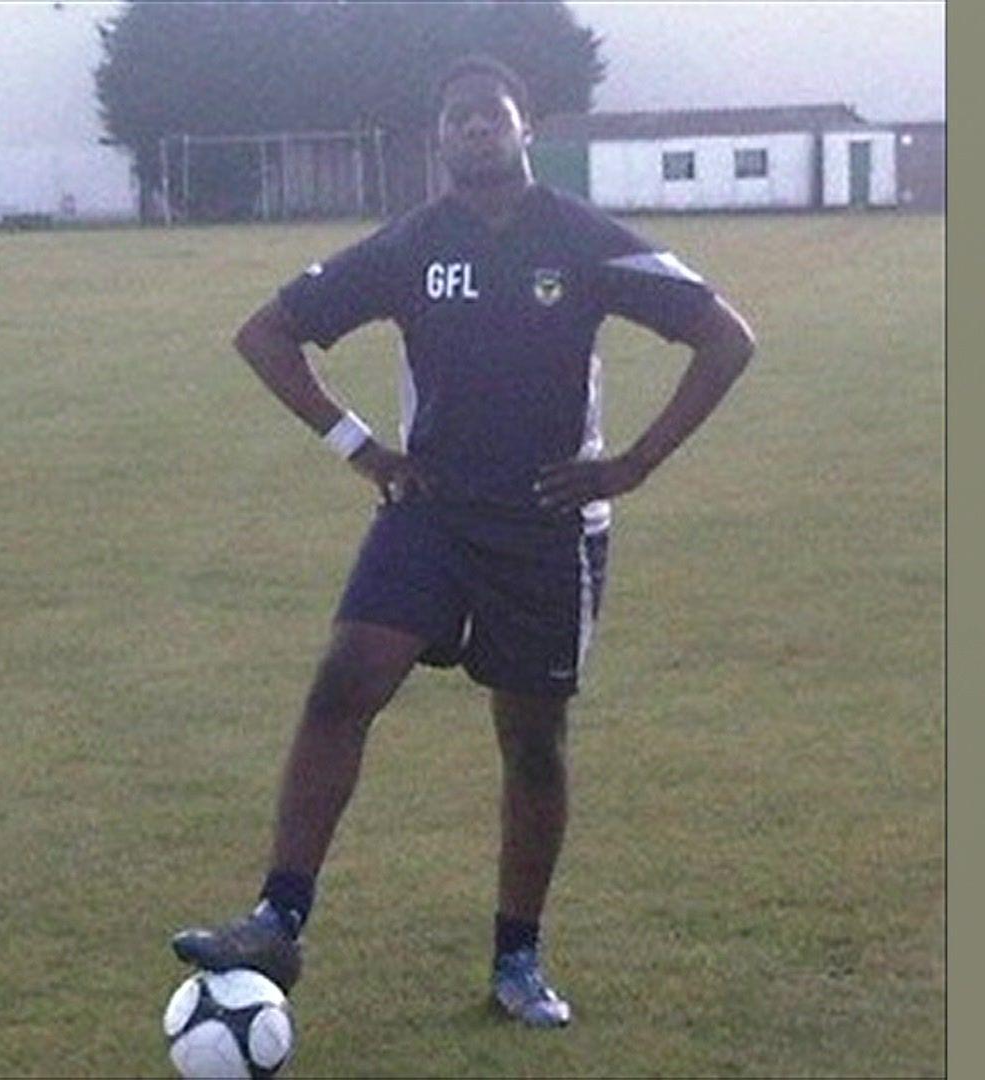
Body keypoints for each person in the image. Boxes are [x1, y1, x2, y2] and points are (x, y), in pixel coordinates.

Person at [170, 54, 756, 1028]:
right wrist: (363, 449)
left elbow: (726, 336)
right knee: (344, 681)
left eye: (491, 113)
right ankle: (279, 917)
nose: (473, 128)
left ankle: (517, 959)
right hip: (431, 512)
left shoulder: (585, 239)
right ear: (438, 141)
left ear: (527, 128)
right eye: (455, 118)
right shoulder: (410, 247)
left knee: (531, 747)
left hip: (545, 527)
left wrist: (635, 463)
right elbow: (267, 333)